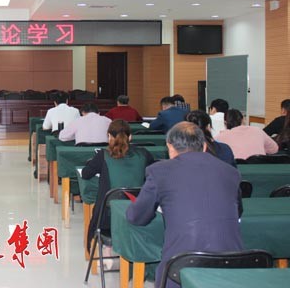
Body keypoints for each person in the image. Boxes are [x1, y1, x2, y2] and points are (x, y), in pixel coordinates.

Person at [126, 122, 243, 288]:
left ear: (170, 147)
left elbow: (137, 217)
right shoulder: (231, 172)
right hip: (231, 263)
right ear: (204, 146)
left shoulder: (159, 171)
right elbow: (238, 212)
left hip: (181, 265)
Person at [81, 119, 154, 242]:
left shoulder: (103, 155)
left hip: (108, 218)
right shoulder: (144, 154)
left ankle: (107, 248)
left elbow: (85, 174)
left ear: (109, 136)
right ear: (130, 137)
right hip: (139, 214)